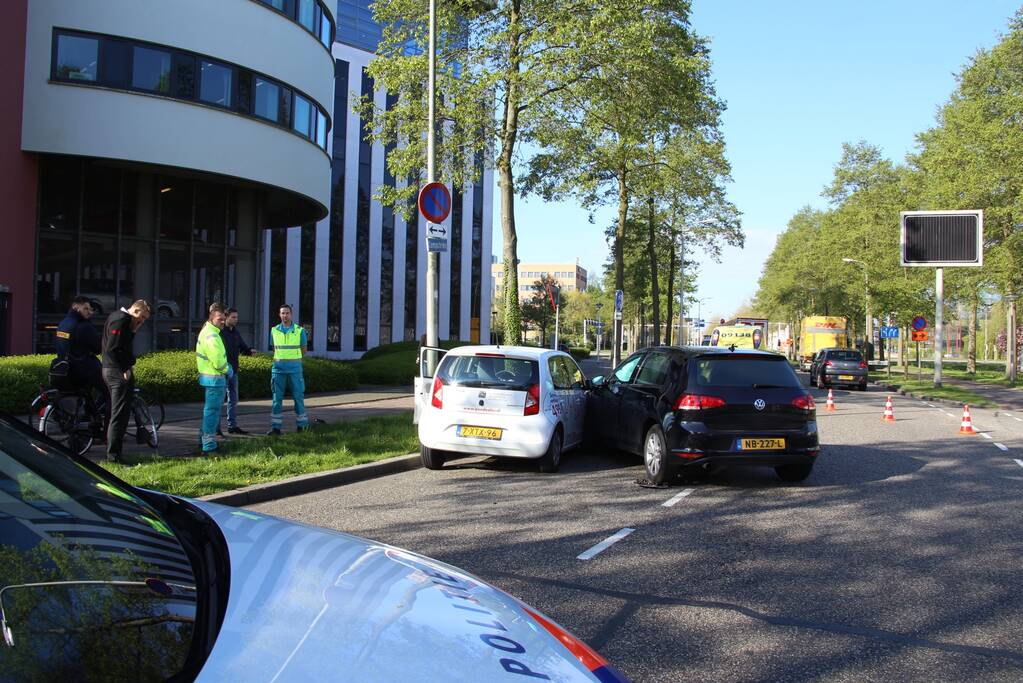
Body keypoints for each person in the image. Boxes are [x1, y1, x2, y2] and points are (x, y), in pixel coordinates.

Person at [102, 299, 151, 462]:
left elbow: (119, 343)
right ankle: (114, 455)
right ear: (135, 311)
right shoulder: (122, 319)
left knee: (117, 413)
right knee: (120, 415)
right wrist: (124, 368)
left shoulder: (116, 316)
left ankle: (114, 452)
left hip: (109, 369)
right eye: (141, 317)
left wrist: (134, 330)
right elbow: (113, 348)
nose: (141, 321)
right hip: (116, 371)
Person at [55, 296, 106, 429]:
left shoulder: (63, 323)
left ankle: (88, 420)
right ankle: (109, 430)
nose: (90, 312)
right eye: (86, 309)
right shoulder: (83, 326)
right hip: (85, 369)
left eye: (90, 309)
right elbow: (98, 348)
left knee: (87, 396)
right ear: (76, 307)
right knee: (112, 390)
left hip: (66, 370)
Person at [196, 303, 233, 453]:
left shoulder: (208, 331)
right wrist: (228, 369)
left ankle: (203, 440)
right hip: (215, 379)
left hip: (209, 378)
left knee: (209, 412)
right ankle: (209, 446)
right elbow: (218, 362)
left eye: (224, 318)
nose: (223, 321)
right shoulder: (212, 336)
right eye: (219, 318)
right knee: (212, 412)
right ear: (211, 317)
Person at [268, 304, 308, 436]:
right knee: (276, 399)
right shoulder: (274, 330)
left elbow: (304, 350)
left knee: (298, 397)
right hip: (278, 370)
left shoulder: (300, 331)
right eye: (283, 313)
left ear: (291, 314)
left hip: (295, 370)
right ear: (279, 315)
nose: (285, 315)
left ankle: (302, 426)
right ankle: (276, 428)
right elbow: (274, 348)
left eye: (287, 313)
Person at [219, 307, 254, 435]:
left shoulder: (235, 332)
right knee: (220, 400)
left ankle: (232, 426)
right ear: (226, 318)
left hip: (234, 370)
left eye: (237, 317)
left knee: (233, 399)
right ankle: (216, 428)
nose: (236, 320)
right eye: (233, 317)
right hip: (222, 371)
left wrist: (249, 351)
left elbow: (242, 346)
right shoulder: (220, 333)